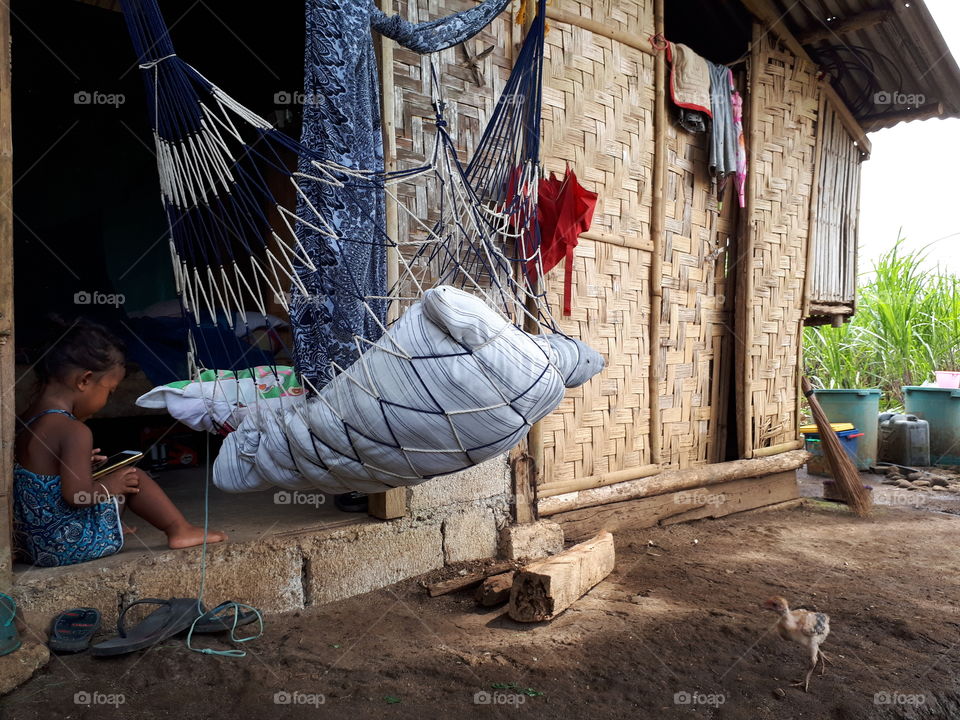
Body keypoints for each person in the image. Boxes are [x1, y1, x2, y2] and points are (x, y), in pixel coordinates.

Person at [13, 319, 226, 568]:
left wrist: (82, 467)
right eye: (110, 391)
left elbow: (41, 474)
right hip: (65, 547)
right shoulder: (74, 431)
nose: (108, 397)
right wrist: (111, 484)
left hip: (33, 546)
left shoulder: (26, 418)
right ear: (84, 380)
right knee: (132, 476)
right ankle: (179, 529)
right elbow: (76, 497)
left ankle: (111, 523)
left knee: (110, 478)